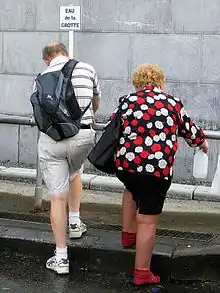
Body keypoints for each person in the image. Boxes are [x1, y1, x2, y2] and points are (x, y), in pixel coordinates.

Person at [110, 64, 208, 286]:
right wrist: (202, 143)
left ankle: (127, 236)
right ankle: (142, 273)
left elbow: (112, 127)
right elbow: (190, 131)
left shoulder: (127, 101)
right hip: (156, 170)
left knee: (132, 190)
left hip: (127, 167)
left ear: (138, 83)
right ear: (160, 82)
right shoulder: (172, 103)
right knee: (147, 220)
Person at [34, 41, 101, 274]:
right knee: (75, 170)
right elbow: (96, 102)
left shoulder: (41, 76)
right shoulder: (87, 69)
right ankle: (75, 222)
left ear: (47, 59)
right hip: (82, 137)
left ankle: (61, 258)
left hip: (51, 140)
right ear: (66, 54)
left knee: (56, 198)